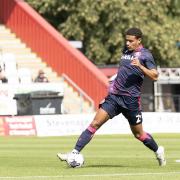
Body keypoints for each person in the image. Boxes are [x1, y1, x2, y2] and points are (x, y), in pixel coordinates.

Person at [57, 27, 166, 167]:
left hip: (131, 101)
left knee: (139, 135)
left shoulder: (146, 55)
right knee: (95, 124)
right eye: (126, 40)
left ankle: (158, 150)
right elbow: (122, 72)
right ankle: (74, 153)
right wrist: (109, 92)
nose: (127, 43)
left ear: (139, 40)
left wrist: (140, 67)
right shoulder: (126, 51)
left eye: (131, 41)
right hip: (114, 97)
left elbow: (155, 76)